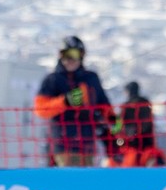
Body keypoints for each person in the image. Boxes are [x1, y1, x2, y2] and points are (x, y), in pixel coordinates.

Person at [32, 37, 109, 166]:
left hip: (88, 145)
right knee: (70, 180)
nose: (69, 60)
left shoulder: (91, 79)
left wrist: (110, 119)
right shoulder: (53, 80)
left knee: (86, 182)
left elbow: (104, 106)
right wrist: (65, 102)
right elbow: (40, 109)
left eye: (74, 54)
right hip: (63, 145)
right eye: (65, 55)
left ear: (81, 55)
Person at [114, 81, 164, 167]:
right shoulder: (146, 103)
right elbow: (148, 122)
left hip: (131, 145)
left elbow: (118, 125)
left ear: (128, 91)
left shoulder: (125, 106)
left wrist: (122, 136)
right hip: (147, 143)